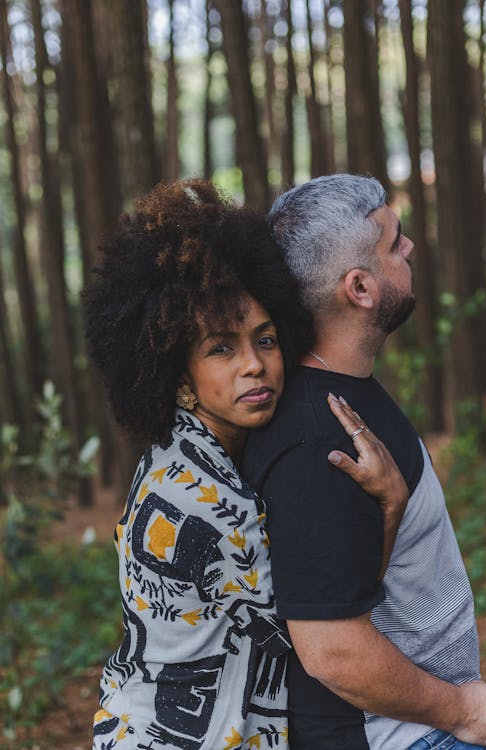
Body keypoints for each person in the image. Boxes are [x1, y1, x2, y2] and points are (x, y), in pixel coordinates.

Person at [84, 179, 408, 750]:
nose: (254, 366)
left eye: (264, 339)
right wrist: (390, 505)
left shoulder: (180, 453)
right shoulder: (206, 499)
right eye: (221, 348)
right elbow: (327, 630)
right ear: (176, 372)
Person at [242, 173, 486, 750]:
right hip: (406, 738)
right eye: (393, 241)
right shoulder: (317, 440)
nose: (408, 246)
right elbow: (331, 648)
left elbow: (353, 580)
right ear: (359, 288)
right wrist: (461, 710)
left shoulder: (344, 391)